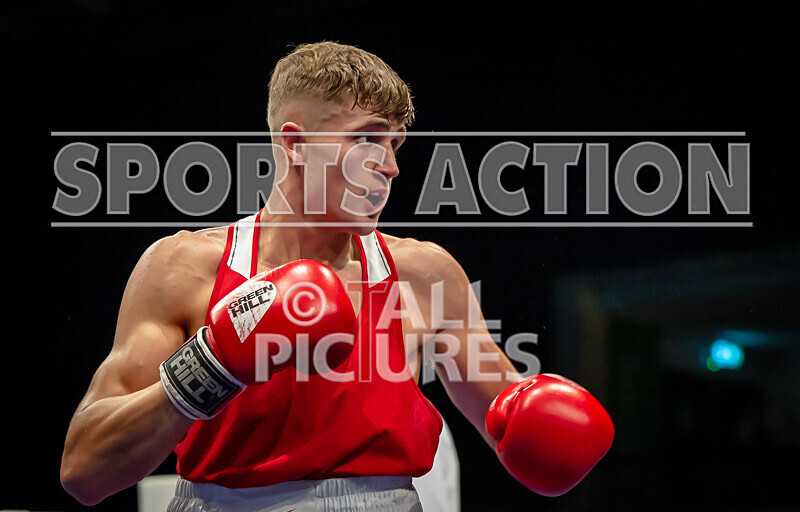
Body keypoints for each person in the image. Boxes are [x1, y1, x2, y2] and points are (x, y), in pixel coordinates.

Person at [60, 41, 613, 511]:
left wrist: (540, 417)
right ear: (295, 144)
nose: (391, 166)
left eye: (396, 144)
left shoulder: (423, 274)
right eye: (367, 139)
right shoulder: (183, 268)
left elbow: (509, 415)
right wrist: (213, 364)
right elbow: (85, 470)